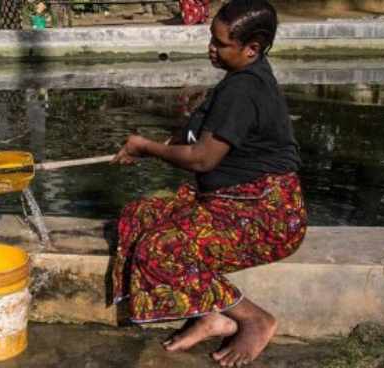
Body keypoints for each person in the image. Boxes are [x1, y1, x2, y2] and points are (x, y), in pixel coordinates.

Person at [111, 0, 308, 366]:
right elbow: (195, 138)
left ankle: (254, 319)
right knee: (137, 214)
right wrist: (152, 145)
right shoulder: (238, 80)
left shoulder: (243, 90)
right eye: (211, 39)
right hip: (227, 204)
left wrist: (147, 147)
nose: (211, 49)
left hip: (265, 216)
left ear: (252, 48)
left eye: (220, 44)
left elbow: (203, 158)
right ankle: (211, 314)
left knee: (160, 248)